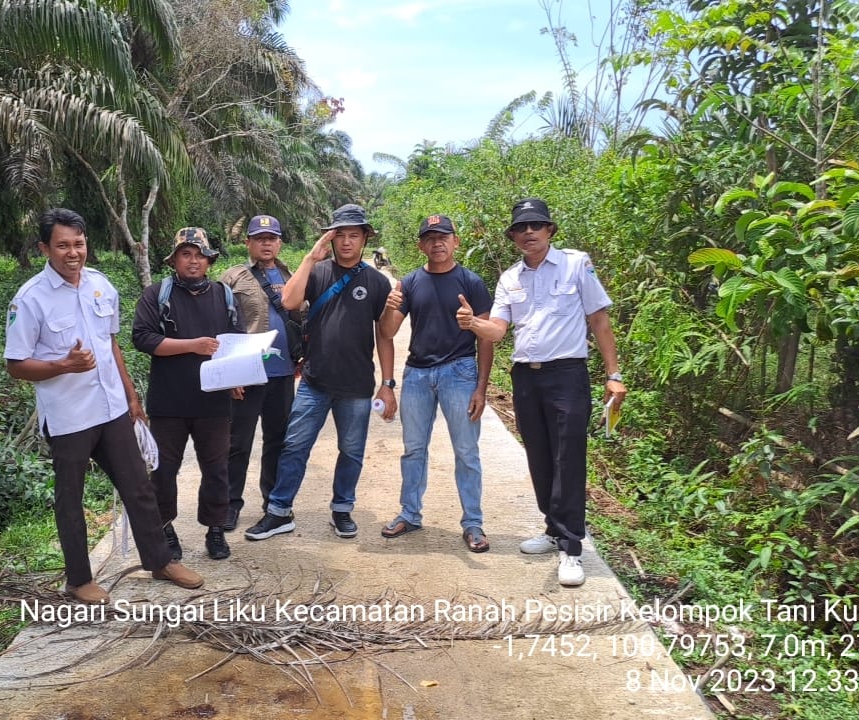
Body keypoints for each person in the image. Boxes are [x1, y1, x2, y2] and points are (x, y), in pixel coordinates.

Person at [4, 208, 203, 604]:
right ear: (45, 248)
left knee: (140, 487)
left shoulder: (100, 285)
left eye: (78, 244)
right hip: (69, 417)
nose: (72, 252)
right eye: (62, 245)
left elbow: (110, 345)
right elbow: (15, 365)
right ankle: (79, 580)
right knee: (71, 500)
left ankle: (160, 561)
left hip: (111, 409)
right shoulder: (29, 300)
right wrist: (64, 365)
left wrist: (131, 397)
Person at [457, 198, 627, 586]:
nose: (528, 232)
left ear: (550, 230)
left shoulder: (575, 263)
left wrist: (613, 374)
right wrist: (473, 324)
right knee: (539, 455)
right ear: (513, 236)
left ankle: (571, 548)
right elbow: (498, 330)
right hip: (525, 377)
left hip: (567, 374)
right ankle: (552, 529)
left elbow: (599, 319)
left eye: (536, 225)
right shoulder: (510, 279)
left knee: (568, 456)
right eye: (521, 227)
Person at [244, 203, 395, 541]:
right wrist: (310, 258)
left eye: (353, 235)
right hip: (314, 381)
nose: (345, 242)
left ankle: (342, 510)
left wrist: (387, 384)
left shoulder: (376, 282)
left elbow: (384, 336)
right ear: (330, 238)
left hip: (356, 385)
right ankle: (279, 512)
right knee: (295, 446)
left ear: (364, 239)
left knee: (351, 451)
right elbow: (289, 301)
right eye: (339, 235)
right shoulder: (318, 271)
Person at [377, 214, 494, 552]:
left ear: (456, 241)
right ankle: (409, 513)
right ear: (420, 245)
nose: (437, 242)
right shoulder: (411, 283)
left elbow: (486, 339)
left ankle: (473, 522)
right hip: (417, 375)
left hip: (459, 373)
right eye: (429, 238)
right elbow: (387, 332)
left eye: (444, 236)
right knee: (414, 449)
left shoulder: (472, 282)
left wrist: (481, 387)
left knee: (466, 451)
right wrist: (390, 308)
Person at [132, 228, 242, 562]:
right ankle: (165, 528)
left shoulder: (224, 294)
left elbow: (234, 340)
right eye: (186, 254)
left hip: (213, 401)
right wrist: (192, 346)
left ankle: (215, 529)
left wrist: (237, 375)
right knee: (164, 470)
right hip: (169, 403)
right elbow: (143, 338)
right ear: (175, 260)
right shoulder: (157, 295)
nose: (193, 261)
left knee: (216, 469)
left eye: (200, 255)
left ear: (210, 261)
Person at [218, 215, 301, 531]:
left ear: (279, 242)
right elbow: (221, 325)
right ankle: (230, 504)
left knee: (277, 441)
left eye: (272, 238)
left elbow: (300, 317)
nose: (266, 243)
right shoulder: (232, 278)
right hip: (247, 375)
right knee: (238, 442)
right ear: (248, 242)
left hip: (282, 375)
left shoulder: (289, 274)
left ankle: (273, 503)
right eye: (259, 238)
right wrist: (231, 374)